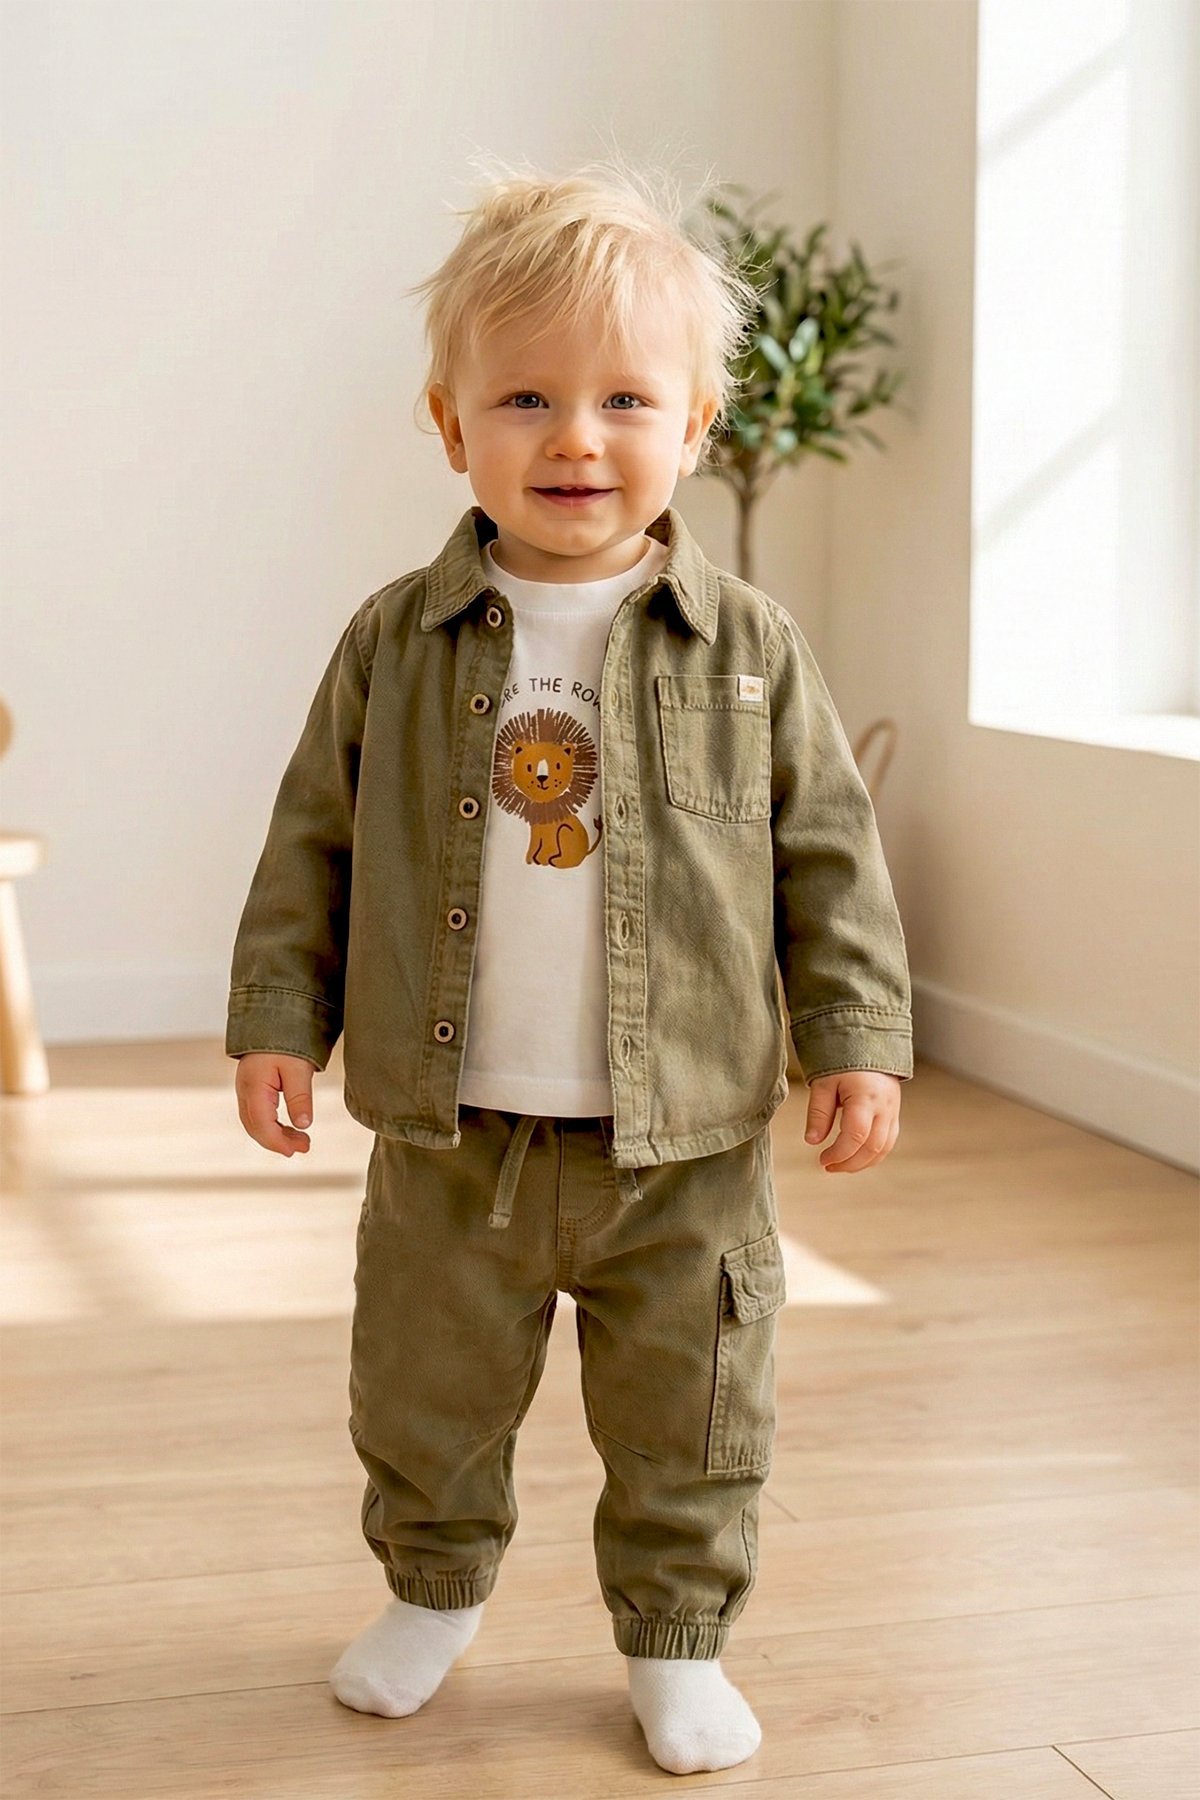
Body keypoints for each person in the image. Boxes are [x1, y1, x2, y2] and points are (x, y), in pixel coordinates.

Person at [226, 155, 914, 1778]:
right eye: (525, 397)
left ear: (697, 426)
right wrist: (278, 1021)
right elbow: (312, 838)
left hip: (681, 1147)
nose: (575, 439)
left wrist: (856, 1037)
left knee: (692, 1407)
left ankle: (677, 1637)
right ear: (451, 425)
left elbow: (830, 853)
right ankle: (433, 1590)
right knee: (423, 1388)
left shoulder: (750, 652)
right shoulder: (395, 642)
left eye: (624, 400)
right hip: (450, 1134)